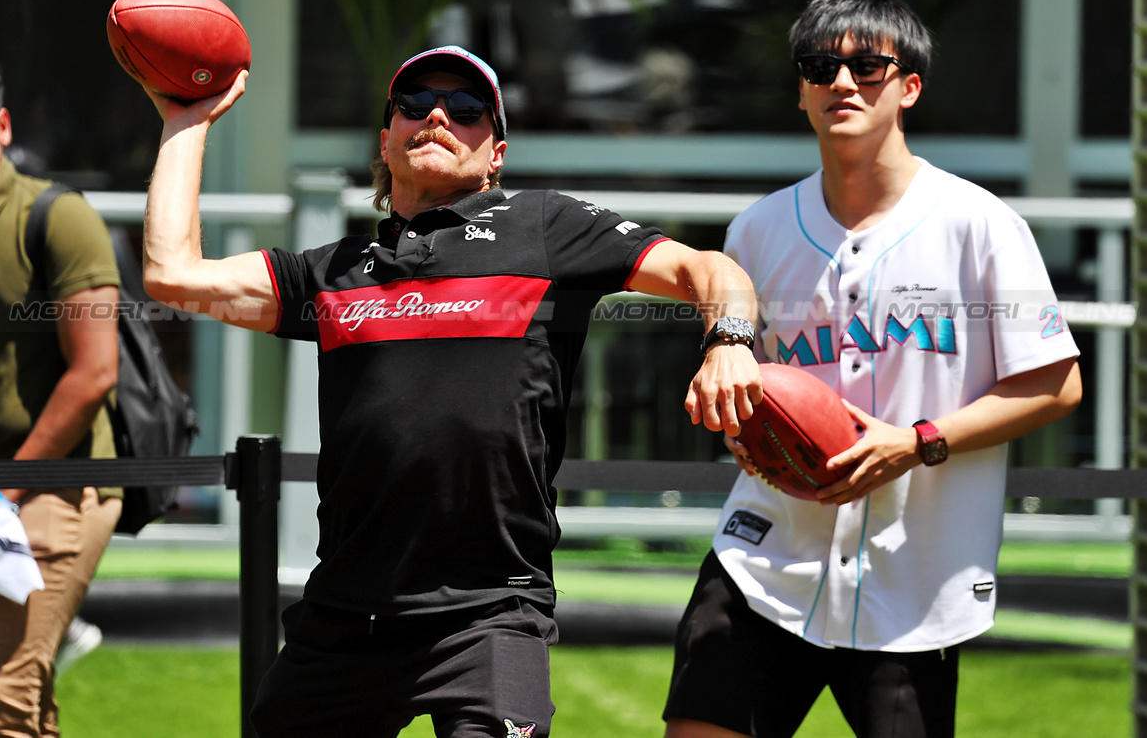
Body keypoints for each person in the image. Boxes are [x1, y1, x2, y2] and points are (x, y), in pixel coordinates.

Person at [138, 44, 762, 737]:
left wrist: (730, 341)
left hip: (489, 614)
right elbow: (173, 275)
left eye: (465, 110)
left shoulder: (546, 228)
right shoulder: (333, 272)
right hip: (346, 616)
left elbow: (711, 269)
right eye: (414, 105)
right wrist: (185, 122)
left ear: (494, 153)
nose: (436, 116)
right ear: (387, 140)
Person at [661, 0, 1084, 738]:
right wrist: (741, 427)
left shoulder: (982, 225)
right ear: (801, 91)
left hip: (913, 579)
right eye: (821, 67)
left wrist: (917, 442)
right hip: (764, 562)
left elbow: (1055, 385)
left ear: (909, 86)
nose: (843, 83)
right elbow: (746, 385)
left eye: (869, 67)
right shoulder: (757, 230)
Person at [0, 50, 123, 737]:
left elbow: (95, 371)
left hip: (55, 490)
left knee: (1, 702)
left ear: (3, 126)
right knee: (24, 710)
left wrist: (1, 497)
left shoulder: (58, 218)